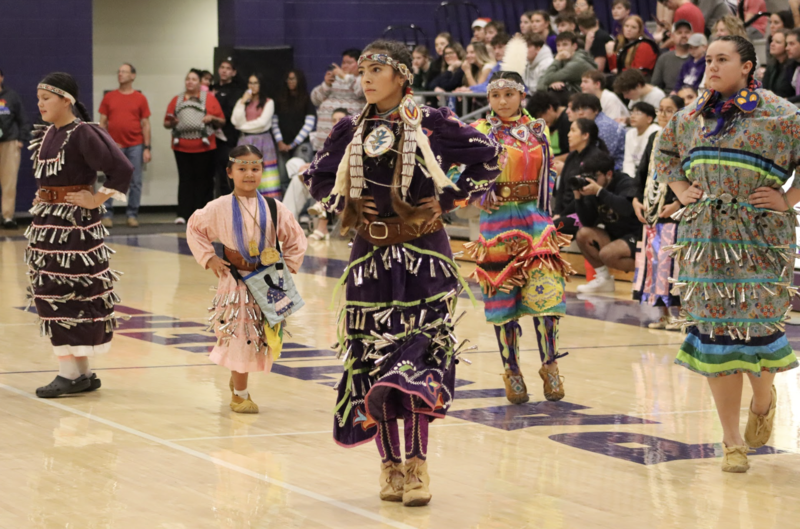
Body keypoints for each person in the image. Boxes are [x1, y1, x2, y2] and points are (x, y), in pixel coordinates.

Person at [304, 40, 501, 507]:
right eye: (363, 70)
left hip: (423, 255)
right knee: (373, 359)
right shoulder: (351, 129)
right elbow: (316, 177)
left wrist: (450, 198)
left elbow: (488, 156)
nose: (366, 78)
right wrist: (346, 200)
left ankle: (418, 466)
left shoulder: (430, 122)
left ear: (401, 76)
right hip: (369, 256)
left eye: (376, 69)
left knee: (418, 358)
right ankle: (389, 466)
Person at [653, 36, 800, 472]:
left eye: (722, 60)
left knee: (757, 331)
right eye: (709, 59)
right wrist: (682, 190)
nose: (711, 67)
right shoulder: (691, 116)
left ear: (748, 67)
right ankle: (731, 440)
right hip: (705, 238)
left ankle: (762, 401)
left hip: (760, 236)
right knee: (715, 334)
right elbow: (665, 154)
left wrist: (790, 198)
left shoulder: (781, 115)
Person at [27, 72, 133, 398]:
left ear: (66, 100)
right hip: (48, 225)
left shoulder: (83, 132)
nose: (40, 103)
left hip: (73, 228)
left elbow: (122, 168)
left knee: (64, 292)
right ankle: (82, 372)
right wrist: (45, 197)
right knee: (62, 291)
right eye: (39, 98)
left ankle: (69, 373)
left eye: (46, 98)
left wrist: (97, 198)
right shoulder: (49, 133)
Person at [468, 71, 571, 404]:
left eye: (509, 94)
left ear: (521, 95)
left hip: (535, 219)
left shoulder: (538, 130)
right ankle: (512, 370)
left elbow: (548, 171)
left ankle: (550, 365)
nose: (502, 101)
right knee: (503, 300)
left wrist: (548, 208)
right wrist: (480, 191)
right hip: (497, 224)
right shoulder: (480, 132)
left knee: (549, 293)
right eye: (495, 95)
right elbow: (460, 171)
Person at [186, 144, 307, 413]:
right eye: (242, 169)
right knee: (241, 334)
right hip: (236, 281)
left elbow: (296, 238)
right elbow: (194, 228)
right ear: (230, 172)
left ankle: (237, 377)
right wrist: (210, 258)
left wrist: (287, 266)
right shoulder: (218, 207)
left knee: (261, 336)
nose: (249, 174)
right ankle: (240, 393)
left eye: (255, 168)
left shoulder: (274, 207)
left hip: (268, 283)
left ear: (262, 171)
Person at [631, 95, 685, 329]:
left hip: (674, 211)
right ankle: (664, 314)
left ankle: (683, 315)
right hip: (652, 210)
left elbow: (690, 176)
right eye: (660, 110)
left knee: (673, 264)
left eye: (669, 110)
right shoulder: (654, 137)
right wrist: (635, 199)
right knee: (654, 264)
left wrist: (678, 203)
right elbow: (641, 172)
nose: (663, 115)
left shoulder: (686, 138)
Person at [573, 151, 641, 293]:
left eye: (594, 176)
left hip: (637, 235)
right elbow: (587, 222)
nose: (589, 180)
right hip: (615, 234)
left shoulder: (625, 182)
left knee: (607, 254)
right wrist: (578, 198)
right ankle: (604, 280)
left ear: (608, 174)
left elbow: (627, 209)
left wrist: (599, 191)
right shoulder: (593, 188)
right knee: (583, 234)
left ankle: (647, 274)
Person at [164, 69, 225, 224]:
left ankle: (204, 215)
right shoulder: (176, 100)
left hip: (205, 146)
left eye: (193, 79)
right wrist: (172, 122)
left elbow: (222, 121)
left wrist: (211, 118)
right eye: (187, 79)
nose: (190, 82)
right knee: (185, 180)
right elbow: (166, 122)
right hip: (181, 147)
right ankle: (183, 214)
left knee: (204, 181)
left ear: (200, 82)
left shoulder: (209, 99)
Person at [97, 63, 151, 229]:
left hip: (136, 145)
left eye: (124, 72)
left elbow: (146, 124)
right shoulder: (109, 97)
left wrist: (147, 148)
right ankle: (107, 214)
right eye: (119, 71)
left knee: (135, 182)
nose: (120, 74)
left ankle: (132, 215)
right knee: (112, 180)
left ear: (133, 76)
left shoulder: (140, 98)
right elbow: (102, 123)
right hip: (115, 147)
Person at [552, 118, 609, 235]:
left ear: (585, 135)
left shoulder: (595, 159)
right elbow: (561, 187)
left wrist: (561, 216)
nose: (568, 135)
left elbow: (584, 196)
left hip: (582, 213)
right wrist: (557, 212)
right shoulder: (572, 156)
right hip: (563, 211)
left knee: (550, 227)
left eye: (573, 131)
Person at [232, 74, 279, 199]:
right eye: (250, 83)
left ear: (261, 85)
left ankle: (269, 207)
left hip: (263, 140)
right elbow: (235, 120)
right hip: (244, 141)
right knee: (244, 173)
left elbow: (262, 123)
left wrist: (242, 126)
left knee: (266, 176)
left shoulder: (269, 102)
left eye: (255, 83)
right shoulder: (242, 101)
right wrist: (242, 102)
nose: (252, 86)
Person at [307, 107, 350, 241]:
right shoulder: (329, 139)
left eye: (340, 120)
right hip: (329, 177)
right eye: (334, 120)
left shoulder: (354, 138)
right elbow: (320, 161)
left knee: (329, 184)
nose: (337, 123)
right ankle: (286, 222)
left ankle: (321, 221)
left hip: (347, 180)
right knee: (300, 177)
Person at [310, 48, 365, 151]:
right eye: (343, 62)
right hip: (324, 144)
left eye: (349, 63)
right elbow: (314, 99)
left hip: (349, 147)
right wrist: (326, 84)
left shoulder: (364, 80)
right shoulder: (333, 80)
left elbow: (362, 91)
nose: (344, 66)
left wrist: (345, 77)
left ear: (360, 64)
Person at [272, 69, 316, 188]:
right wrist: (280, 142)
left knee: (300, 177)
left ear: (299, 80)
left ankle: (299, 207)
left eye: (293, 79)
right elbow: (274, 122)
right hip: (282, 145)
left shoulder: (306, 99)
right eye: (289, 79)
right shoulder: (280, 99)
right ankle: (284, 206)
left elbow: (309, 125)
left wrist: (293, 144)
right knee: (283, 179)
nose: (290, 81)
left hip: (301, 144)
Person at [211, 58, 246, 198]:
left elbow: (231, 114)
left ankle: (229, 207)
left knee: (227, 174)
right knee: (210, 176)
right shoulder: (211, 88)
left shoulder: (237, 91)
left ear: (233, 72)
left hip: (228, 138)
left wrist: (216, 99)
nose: (224, 70)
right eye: (222, 67)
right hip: (209, 138)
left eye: (228, 68)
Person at [0, 67, 29, 229]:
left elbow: (23, 119)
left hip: (9, 143)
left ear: (2, 78)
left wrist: (21, 138)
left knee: (9, 182)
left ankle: (8, 217)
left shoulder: (12, 96)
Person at [571, 93, 625, 170]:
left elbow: (603, 157)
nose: (580, 113)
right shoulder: (589, 124)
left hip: (617, 169)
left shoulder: (605, 126)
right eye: (577, 109)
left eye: (585, 108)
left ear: (596, 110)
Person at [527, 90, 571, 161]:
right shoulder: (552, 122)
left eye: (541, 116)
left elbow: (574, 153)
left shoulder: (567, 120)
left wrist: (549, 162)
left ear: (550, 108)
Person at [651, 20, 692, 93]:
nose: (683, 35)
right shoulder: (664, 58)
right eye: (679, 33)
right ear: (672, 36)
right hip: (668, 99)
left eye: (687, 32)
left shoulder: (701, 58)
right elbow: (654, 86)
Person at [623, 102, 660, 177]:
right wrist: (629, 178)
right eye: (632, 113)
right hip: (635, 173)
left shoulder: (656, 132)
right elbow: (628, 160)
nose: (632, 116)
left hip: (649, 173)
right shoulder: (630, 133)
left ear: (649, 119)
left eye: (638, 113)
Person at [764, 31, 794, 99]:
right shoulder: (771, 64)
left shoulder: (792, 66)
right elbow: (764, 89)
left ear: (786, 46)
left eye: (777, 42)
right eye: (772, 41)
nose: (772, 44)